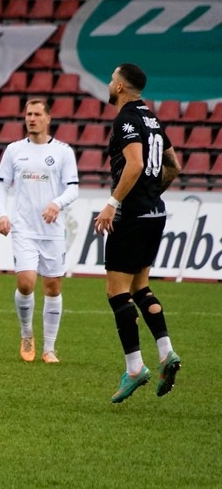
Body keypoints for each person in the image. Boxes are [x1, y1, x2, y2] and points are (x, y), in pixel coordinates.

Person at [93, 63, 182, 404]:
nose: (110, 83)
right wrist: (153, 194)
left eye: (113, 78)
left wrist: (113, 203)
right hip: (155, 213)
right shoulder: (152, 119)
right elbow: (174, 164)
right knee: (140, 287)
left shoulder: (125, 119)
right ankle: (166, 352)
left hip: (131, 215)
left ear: (120, 87)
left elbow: (135, 164)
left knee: (117, 293)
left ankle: (134, 369)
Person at [0, 97, 79, 364]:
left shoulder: (64, 152)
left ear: (48, 118)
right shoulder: (14, 150)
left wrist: (57, 203)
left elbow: (73, 188)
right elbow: (1, 185)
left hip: (52, 231)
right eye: (28, 114)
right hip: (23, 229)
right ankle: (27, 334)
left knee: (52, 287)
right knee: (26, 282)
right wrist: (2, 214)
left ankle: (49, 348)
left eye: (36, 114)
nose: (31, 118)